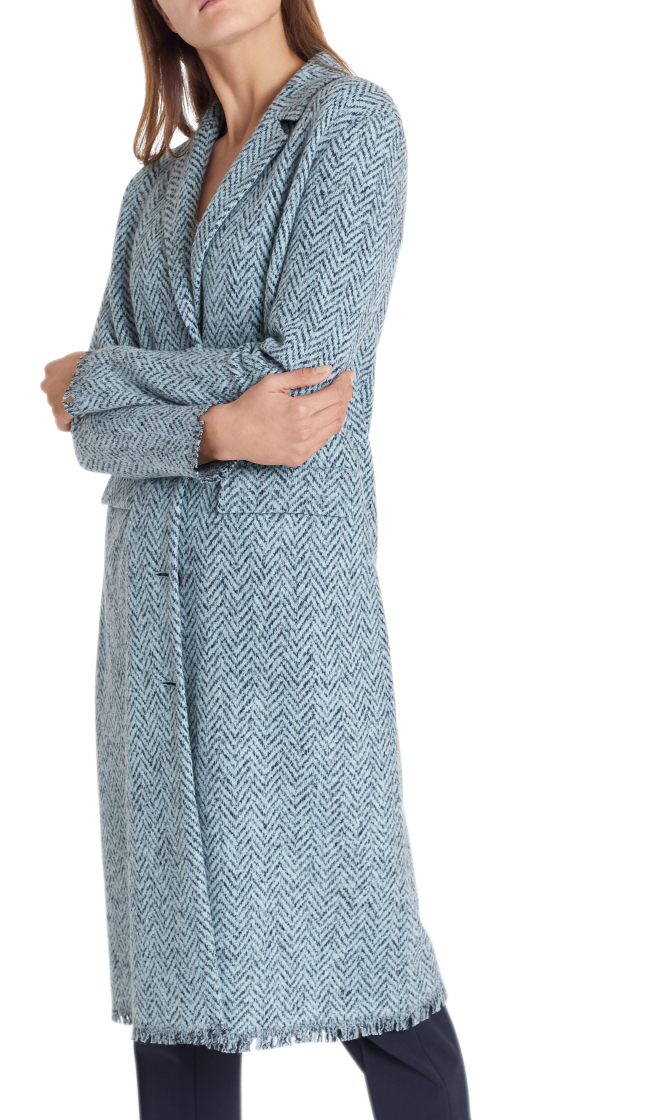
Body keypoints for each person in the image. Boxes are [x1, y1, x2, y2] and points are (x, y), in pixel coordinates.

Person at [40, 1, 472, 1117]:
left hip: (288, 632)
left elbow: (307, 376)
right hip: (152, 622)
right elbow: (92, 438)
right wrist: (215, 426)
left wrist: (108, 376)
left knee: (382, 989)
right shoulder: (152, 194)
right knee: (181, 1007)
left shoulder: (349, 128)